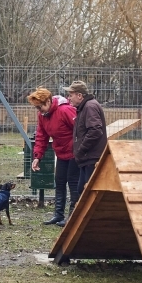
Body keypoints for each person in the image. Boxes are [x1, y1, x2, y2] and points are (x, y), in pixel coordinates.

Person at [26, 87, 79, 226]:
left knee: (73, 183)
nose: (39, 110)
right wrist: (37, 156)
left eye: (41, 106)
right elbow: (41, 136)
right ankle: (58, 214)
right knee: (60, 182)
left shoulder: (65, 110)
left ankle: (73, 217)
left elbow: (80, 128)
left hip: (75, 153)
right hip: (61, 153)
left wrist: (79, 148)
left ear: (49, 101)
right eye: (37, 108)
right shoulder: (43, 116)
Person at [64, 80, 108, 224]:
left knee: (87, 192)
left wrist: (81, 148)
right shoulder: (85, 107)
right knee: (81, 189)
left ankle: (90, 222)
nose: (68, 98)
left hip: (91, 157)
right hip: (86, 157)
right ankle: (84, 222)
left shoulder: (89, 107)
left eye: (70, 95)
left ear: (79, 95)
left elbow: (95, 131)